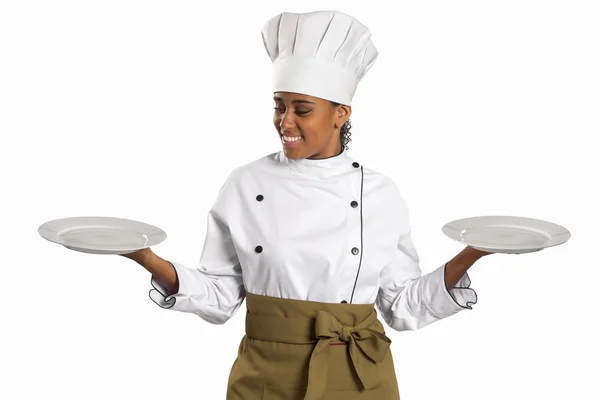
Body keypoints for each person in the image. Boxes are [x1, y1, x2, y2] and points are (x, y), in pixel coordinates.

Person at [120, 10, 491, 400]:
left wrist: (474, 252)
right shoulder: (247, 183)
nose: (285, 122)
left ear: (341, 113)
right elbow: (220, 296)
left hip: (358, 375)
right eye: (279, 106)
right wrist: (144, 257)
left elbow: (401, 306)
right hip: (266, 374)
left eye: (302, 109)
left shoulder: (378, 193)